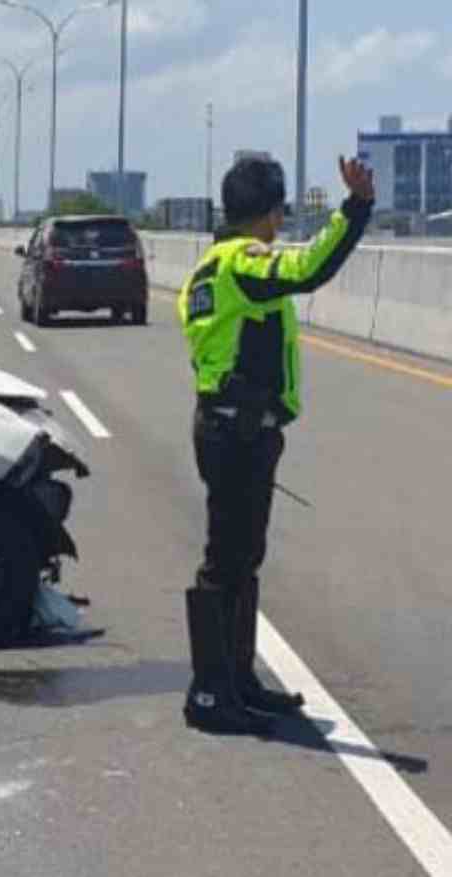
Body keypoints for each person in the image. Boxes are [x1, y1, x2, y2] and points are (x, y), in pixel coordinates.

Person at [176, 156, 374, 735]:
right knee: (226, 560)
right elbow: (309, 269)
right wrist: (356, 208)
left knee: (241, 558)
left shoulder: (208, 268)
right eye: (280, 211)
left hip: (232, 427)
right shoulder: (244, 262)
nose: (281, 221)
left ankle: (237, 681)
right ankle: (210, 693)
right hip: (235, 432)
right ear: (270, 212)